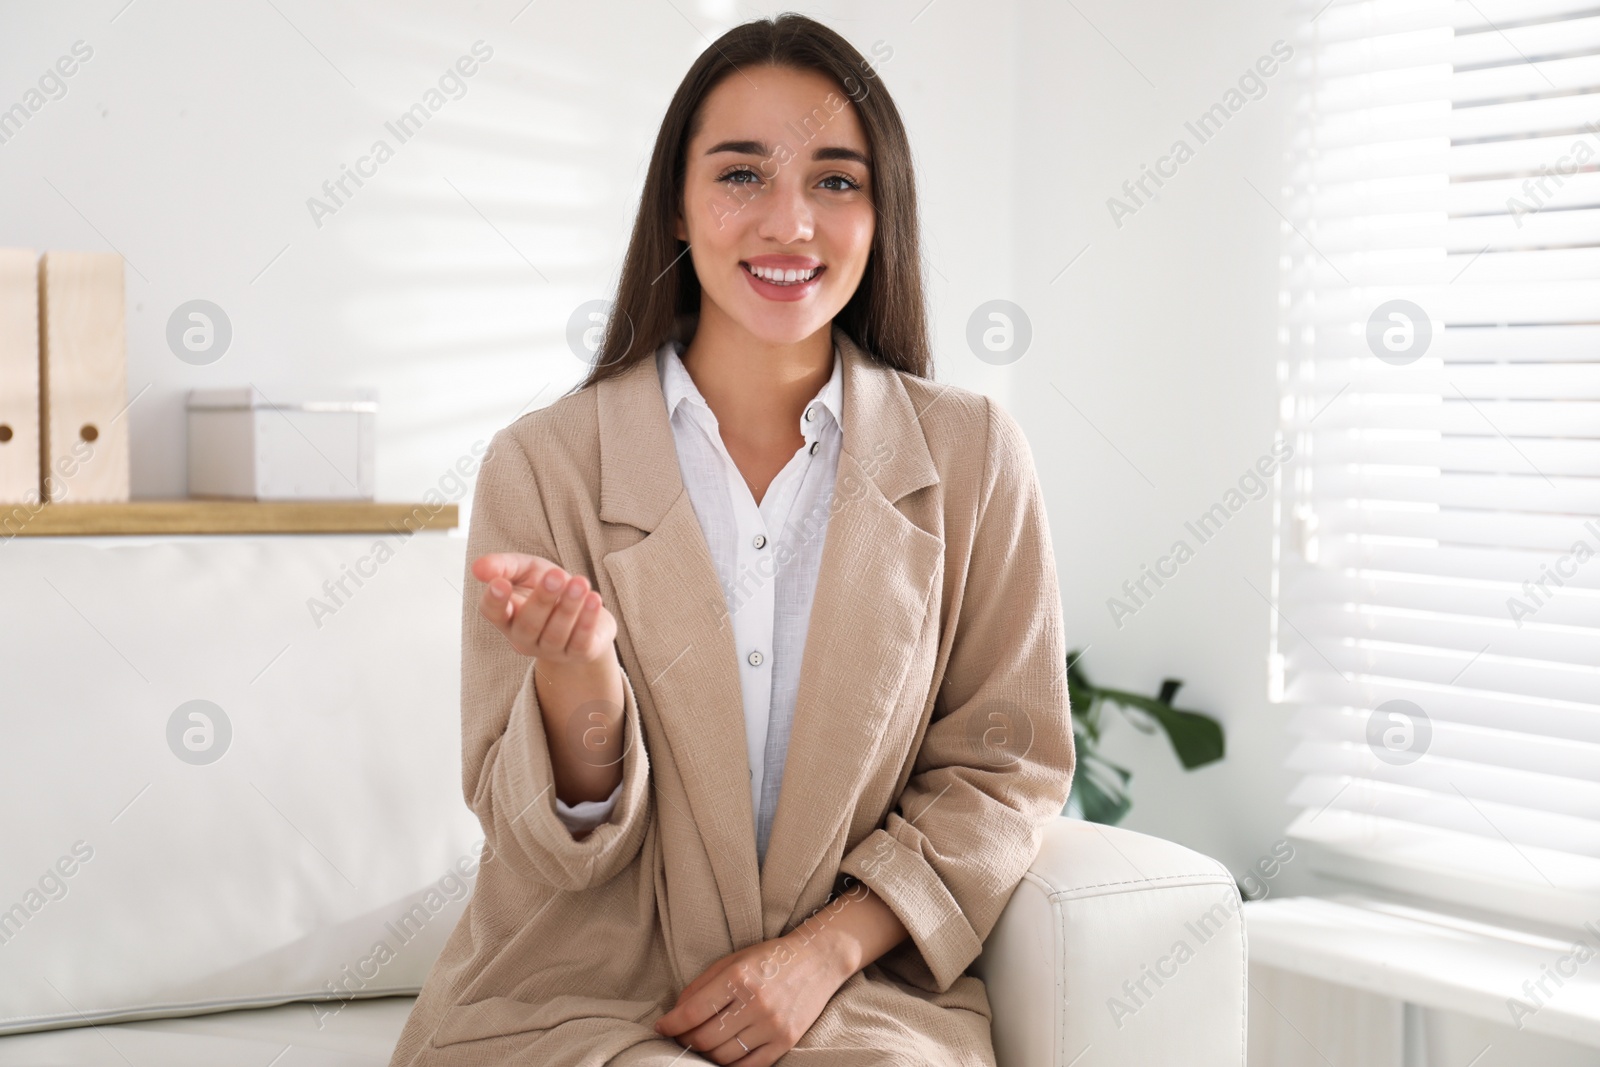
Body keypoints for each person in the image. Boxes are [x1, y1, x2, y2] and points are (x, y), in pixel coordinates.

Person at [388, 13, 1073, 1067]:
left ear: (882, 213)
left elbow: (1005, 763)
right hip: (579, 998)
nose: (788, 221)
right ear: (676, 202)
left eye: (835, 180)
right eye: (742, 174)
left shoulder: (973, 457)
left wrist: (820, 953)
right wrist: (583, 689)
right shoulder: (543, 463)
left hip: (850, 1004)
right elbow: (537, 842)